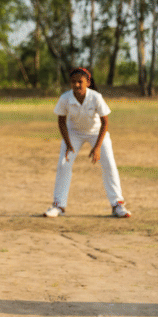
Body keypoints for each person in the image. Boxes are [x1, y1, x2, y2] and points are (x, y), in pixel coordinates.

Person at [44, 67, 131, 218]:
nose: (76, 85)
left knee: (109, 164)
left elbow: (105, 123)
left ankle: (117, 204)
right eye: (73, 82)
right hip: (73, 134)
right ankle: (58, 205)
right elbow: (61, 122)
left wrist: (97, 147)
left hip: (97, 133)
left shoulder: (96, 97)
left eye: (80, 82)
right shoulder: (65, 98)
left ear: (88, 83)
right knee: (64, 164)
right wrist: (68, 144)